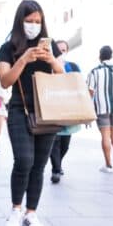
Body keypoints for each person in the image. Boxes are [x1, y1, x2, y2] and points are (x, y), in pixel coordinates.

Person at [0, 0, 65, 226]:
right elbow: (5, 81)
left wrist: (51, 60)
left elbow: (63, 75)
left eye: (38, 21)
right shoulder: (8, 48)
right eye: (29, 21)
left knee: (39, 165)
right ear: (20, 21)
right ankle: (16, 210)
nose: (34, 25)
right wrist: (24, 58)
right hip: (19, 109)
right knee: (24, 160)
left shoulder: (50, 46)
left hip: (48, 110)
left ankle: (31, 213)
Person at [87, 46, 113, 173]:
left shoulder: (94, 72)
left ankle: (108, 165)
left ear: (100, 56)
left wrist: (88, 109)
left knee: (105, 135)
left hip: (101, 107)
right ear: (111, 55)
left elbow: (90, 91)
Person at [49, 40, 81, 183]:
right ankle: (56, 169)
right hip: (53, 106)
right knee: (54, 141)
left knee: (65, 144)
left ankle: (58, 163)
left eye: (64, 50)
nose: (61, 52)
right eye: (59, 50)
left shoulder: (73, 66)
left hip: (69, 107)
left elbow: (80, 85)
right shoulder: (47, 65)